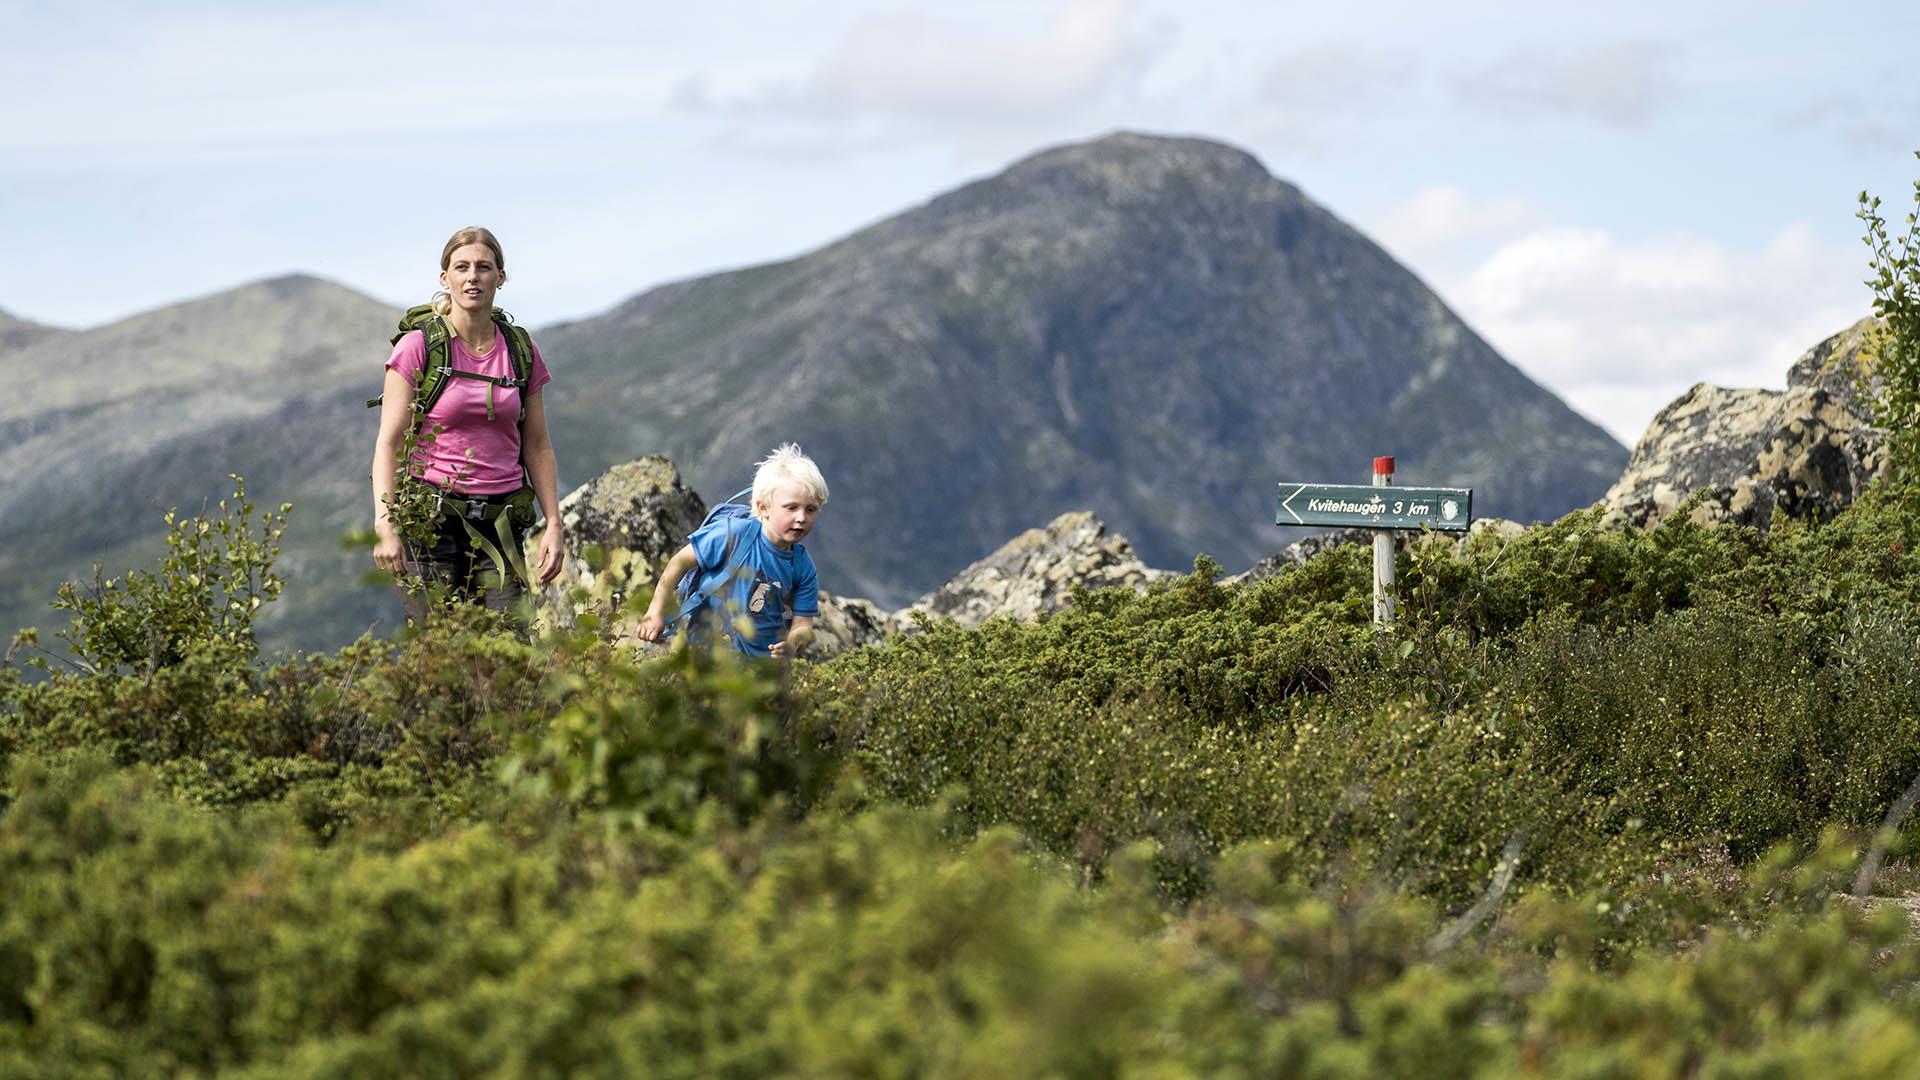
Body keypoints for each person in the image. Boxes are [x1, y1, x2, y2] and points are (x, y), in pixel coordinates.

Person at [370, 226, 565, 620]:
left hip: (502, 523)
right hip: (430, 522)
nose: (472, 276)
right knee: (440, 655)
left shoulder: (521, 350)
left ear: (500, 277)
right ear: (446, 278)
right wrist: (385, 526)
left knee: (509, 655)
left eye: (483, 267)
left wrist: (554, 524)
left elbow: (538, 445)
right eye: (461, 267)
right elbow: (388, 445)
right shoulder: (418, 348)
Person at [637, 444, 827, 658]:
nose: (801, 518)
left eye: (810, 509)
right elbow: (679, 563)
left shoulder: (802, 565)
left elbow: (803, 625)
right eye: (791, 508)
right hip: (703, 651)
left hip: (760, 667)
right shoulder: (732, 534)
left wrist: (792, 645)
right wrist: (655, 612)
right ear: (763, 507)